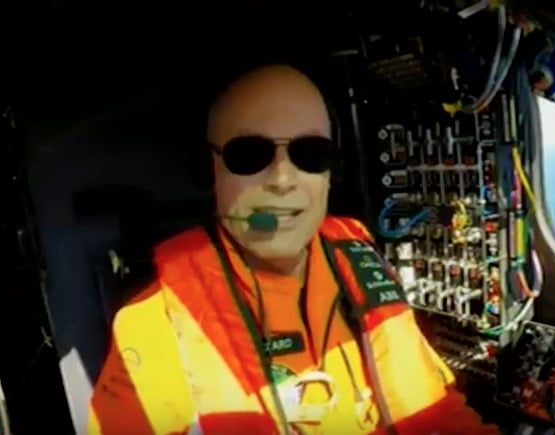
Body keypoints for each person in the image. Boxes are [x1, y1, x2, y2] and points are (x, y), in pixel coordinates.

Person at [88, 63, 499, 435]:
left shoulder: (366, 272)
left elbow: (439, 415)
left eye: (310, 154)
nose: (283, 177)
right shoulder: (152, 326)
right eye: (249, 155)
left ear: (330, 174)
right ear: (208, 170)